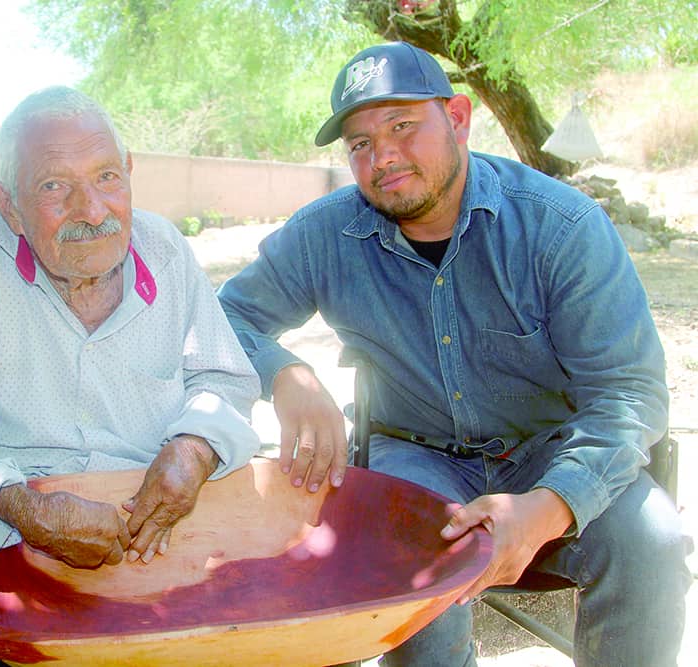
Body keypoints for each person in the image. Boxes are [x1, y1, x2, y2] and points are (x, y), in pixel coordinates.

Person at [217, 41, 692, 666]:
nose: (382, 155)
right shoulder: (324, 233)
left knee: (652, 545)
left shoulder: (561, 227)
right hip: (416, 453)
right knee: (413, 573)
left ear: (459, 118)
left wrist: (546, 509)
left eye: (402, 126)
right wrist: (287, 373)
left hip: (554, 451)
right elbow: (222, 319)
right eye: (359, 143)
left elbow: (629, 395)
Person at [0, 86, 262, 571]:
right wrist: (27, 509)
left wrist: (193, 449)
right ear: (8, 206)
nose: (92, 211)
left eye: (107, 177)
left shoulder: (166, 249)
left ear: (128, 172)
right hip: (18, 528)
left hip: (155, 523)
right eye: (54, 186)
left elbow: (225, 379)